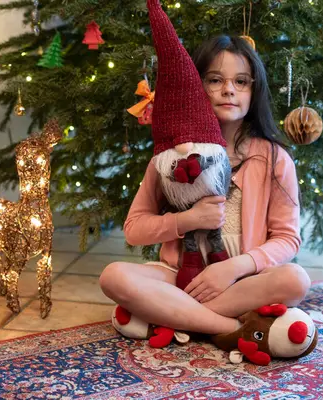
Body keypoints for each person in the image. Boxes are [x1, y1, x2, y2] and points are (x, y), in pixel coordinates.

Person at [100, 1, 310, 340]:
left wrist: (233, 267)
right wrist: (187, 221)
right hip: (180, 274)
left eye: (241, 81)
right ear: (197, 86)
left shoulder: (274, 158)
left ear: (253, 91)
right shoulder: (170, 157)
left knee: (295, 279)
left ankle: (169, 314)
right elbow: (134, 230)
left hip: (242, 279)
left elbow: (287, 238)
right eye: (216, 80)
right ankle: (232, 328)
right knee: (114, 276)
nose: (229, 89)